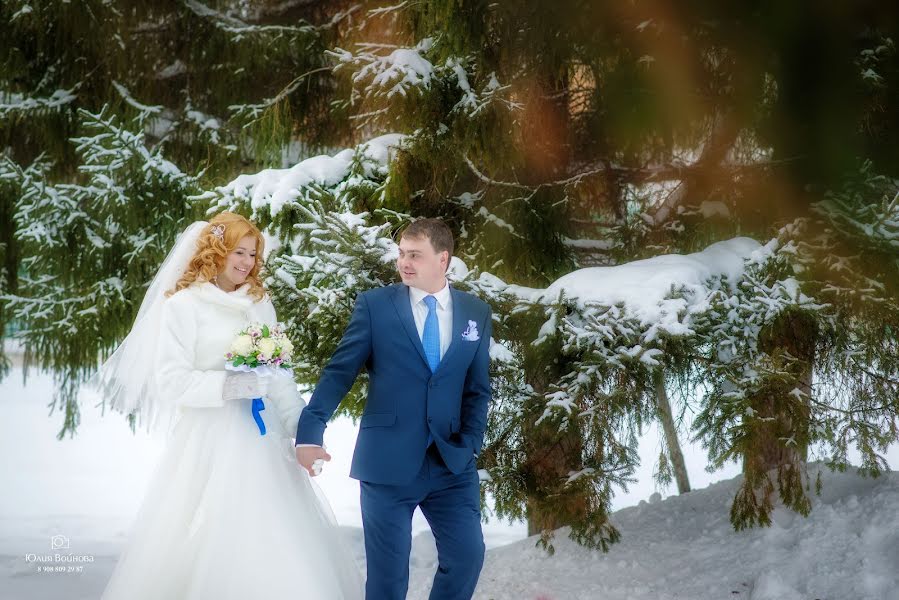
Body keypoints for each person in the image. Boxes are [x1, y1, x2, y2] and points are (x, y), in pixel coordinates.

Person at [93, 212, 364, 599]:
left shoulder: (258, 303)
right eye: (239, 252)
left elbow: (279, 378)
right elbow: (171, 381)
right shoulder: (183, 306)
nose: (247, 263)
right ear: (216, 250)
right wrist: (230, 386)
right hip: (208, 441)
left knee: (276, 535)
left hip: (263, 440)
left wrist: (302, 433)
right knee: (208, 536)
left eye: (253, 255)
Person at [295, 218, 492, 600]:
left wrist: (469, 443)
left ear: (443, 259)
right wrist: (309, 432)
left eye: (415, 255)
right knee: (387, 581)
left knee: (468, 556)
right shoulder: (375, 307)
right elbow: (340, 372)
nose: (404, 263)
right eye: (402, 253)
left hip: (451, 463)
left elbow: (477, 389)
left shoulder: (475, 312)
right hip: (386, 463)